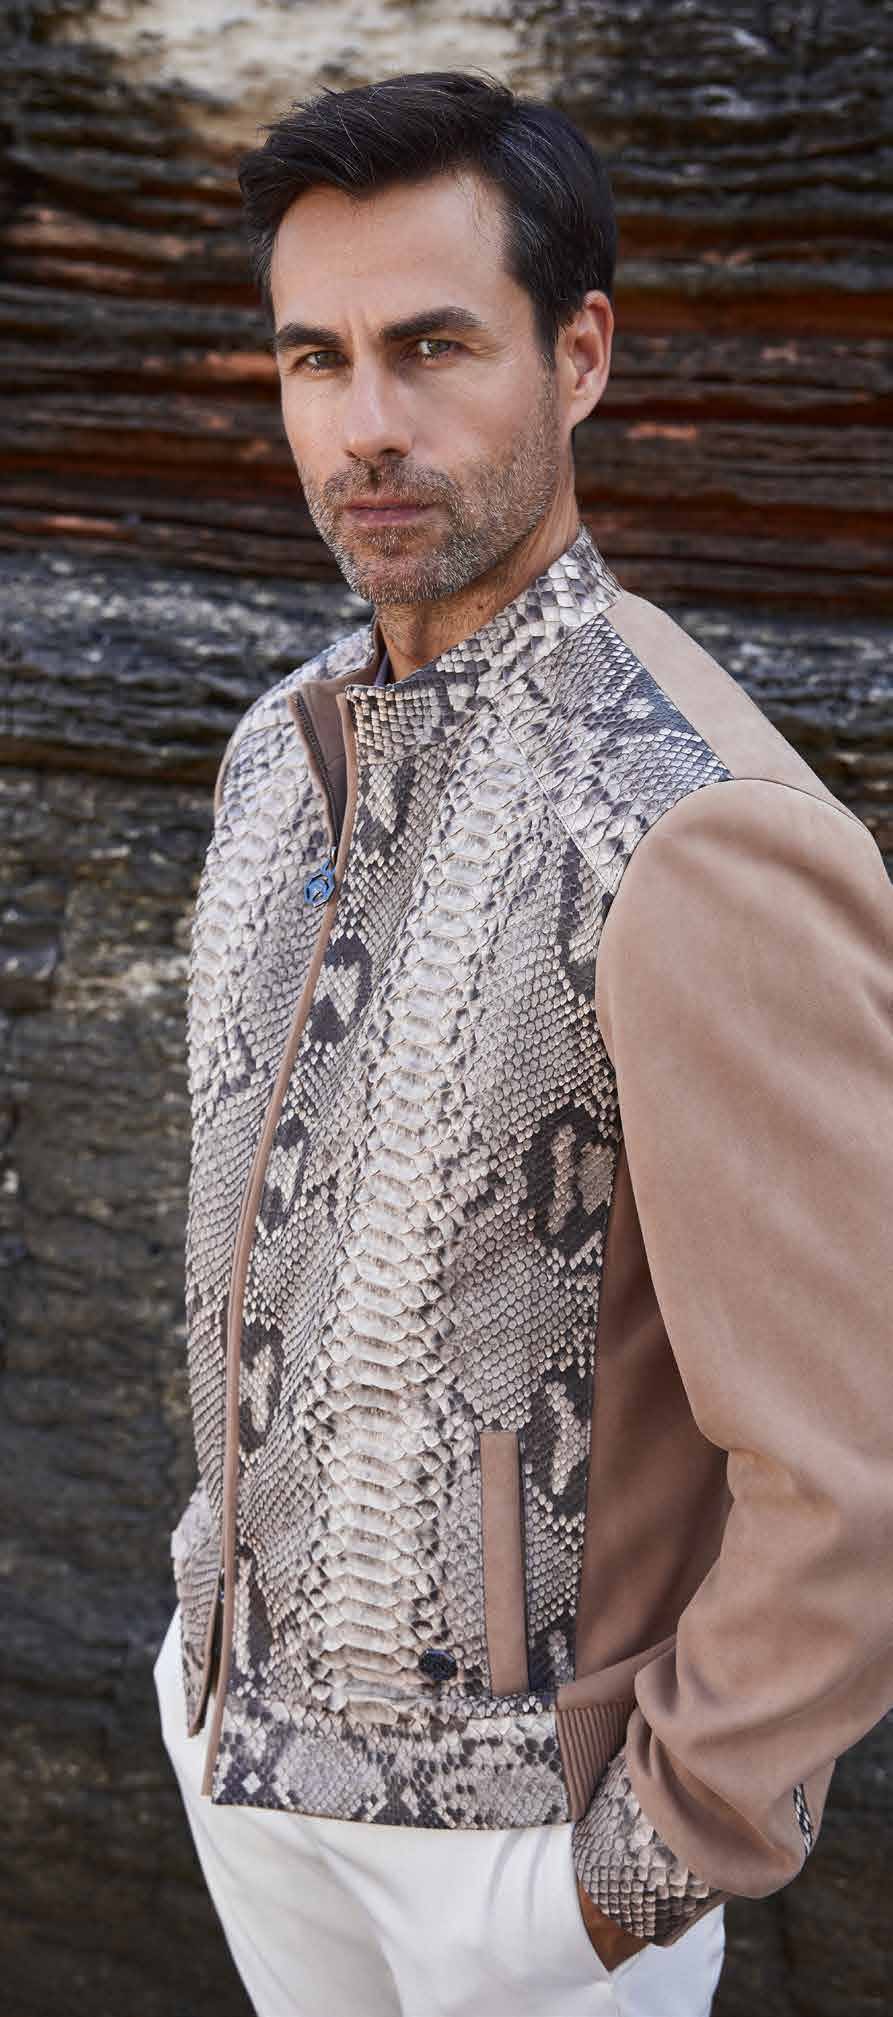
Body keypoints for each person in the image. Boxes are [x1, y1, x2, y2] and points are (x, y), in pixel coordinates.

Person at [154, 70, 893, 2017]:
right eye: (315, 359)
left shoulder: (695, 828)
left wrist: (632, 1872)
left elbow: (861, 1459)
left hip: (515, 1853)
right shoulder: (273, 755)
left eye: (431, 347)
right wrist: (196, 1633)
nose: (364, 426)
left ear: (580, 356)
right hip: (238, 1750)